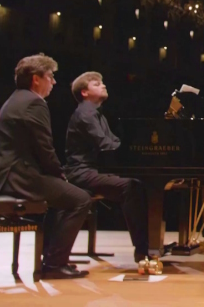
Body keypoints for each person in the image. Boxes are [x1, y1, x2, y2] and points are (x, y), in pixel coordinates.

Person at [0, 54, 90, 279]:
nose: (54, 82)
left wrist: (56, 177)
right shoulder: (34, 102)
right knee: (80, 199)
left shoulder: (15, 99)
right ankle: (55, 264)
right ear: (36, 79)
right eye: (51, 77)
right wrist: (59, 174)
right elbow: (44, 149)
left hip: (2, 176)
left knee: (61, 198)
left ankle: (51, 257)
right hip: (16, 177)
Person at [64, 72, 149, 263]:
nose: (103, 86)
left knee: (137, 184)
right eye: (96, 84)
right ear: (84, 92)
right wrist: (136, 152)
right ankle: (143, 249)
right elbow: (106, 144)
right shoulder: (86, 113)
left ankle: (146, 246)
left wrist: (136, 150)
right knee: (131, 187)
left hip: (92, 170)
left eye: (102, 83)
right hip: (81, 172)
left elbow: (113, 141)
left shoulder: (95, 112)